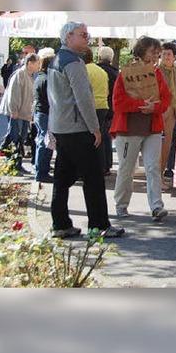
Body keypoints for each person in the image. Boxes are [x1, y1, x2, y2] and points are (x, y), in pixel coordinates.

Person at [47, 21, 124, 239]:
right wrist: (95, 128)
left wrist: (53, 128)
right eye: (83, 34)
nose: (87, 38)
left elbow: (55, 99)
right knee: (93, 178)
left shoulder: (57, 60)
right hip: (78, 129)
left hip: (62, 128)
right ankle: (99, 225)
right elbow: (83, 99)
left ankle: (60, 224)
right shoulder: (73, 62)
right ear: (69, 36)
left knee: (62, 179)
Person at [111, 36, 171, 222]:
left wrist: (155, 107)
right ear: (142, 51)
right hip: (128, 129)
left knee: (153, 167)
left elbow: (166, 99)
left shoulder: (157, 73)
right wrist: (140, 105)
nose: (156, 56)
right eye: (153, 52)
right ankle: (121, 205)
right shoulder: (126, 73)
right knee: (127, 169)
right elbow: (117, 103)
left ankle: (156, 206)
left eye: (157, 53)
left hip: (152, 128)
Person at [0, 53, 40, 174]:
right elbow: (13, 94)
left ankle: (14, 162)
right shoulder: (20, 74)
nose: (39, 66)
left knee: (19, 138)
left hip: (24, 113)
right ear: (30, 63)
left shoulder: (30, 75)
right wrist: (14, 111)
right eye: (37, 63)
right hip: (17, 112)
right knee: (15, 138)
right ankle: (13, 165)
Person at [82, 47, 110, 173]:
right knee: (100, 138)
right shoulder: (101, 71)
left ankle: (87, 169)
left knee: (86, 138)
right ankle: (102, 167)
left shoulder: (83, 70)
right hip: (103, 106)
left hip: (90, 106)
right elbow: (107, 91)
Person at [157, 42, 176, 180]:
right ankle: (155, 178)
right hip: (159, 111)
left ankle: (160, 176)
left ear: (174, 57)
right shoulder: (156, 71)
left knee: (167, 144)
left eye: (169, 54)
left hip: (173, 111)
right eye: (164, 54)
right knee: (156, 145)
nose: (166, 57)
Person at [32, 47, 55, 183]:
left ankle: (40, 168)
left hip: (41, 112)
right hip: (45, 113)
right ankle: (42, 171)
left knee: (42, 140)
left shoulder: (40, 77)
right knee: (45, 142)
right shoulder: (46, 79)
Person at [97, 45, 119, 175]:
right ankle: (107, 164)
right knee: (107, 137)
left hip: (98, 106)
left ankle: (101, 164)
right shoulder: (115, 73)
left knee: (99, 136)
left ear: (99, 57)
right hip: (111, 108)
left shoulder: (96, 70)